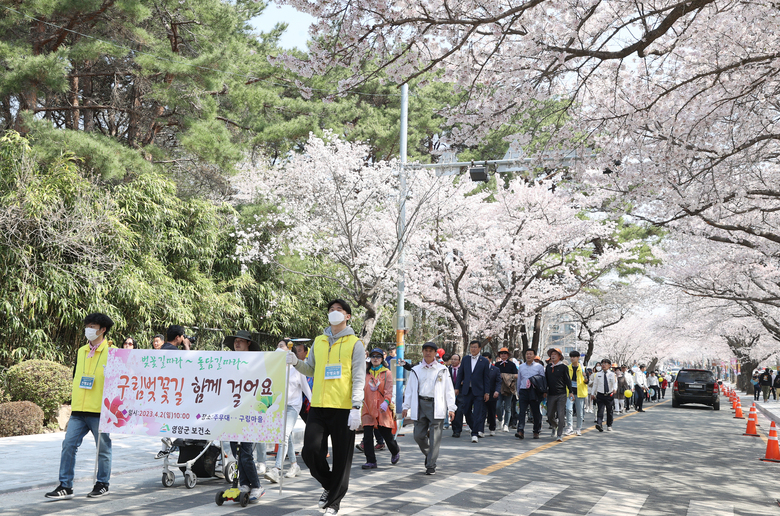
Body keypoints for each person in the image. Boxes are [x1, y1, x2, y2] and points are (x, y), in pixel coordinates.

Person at [287, 299, 365, 516]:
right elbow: (311, 370)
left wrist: (356, 407)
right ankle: (331, 485)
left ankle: (334, 502)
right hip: (319, 406)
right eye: (331, 310)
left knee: (341, 458)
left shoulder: (355, 343)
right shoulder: (319, 341)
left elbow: (359, 377)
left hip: (344, 408)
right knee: (310, 451)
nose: (334, 313)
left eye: (339, 310)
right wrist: (295, 362)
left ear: (348, 316)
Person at [46, 313, 115, 500]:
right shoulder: (81, 350)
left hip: (100, 410)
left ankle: (102, 484)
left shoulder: (113, 352)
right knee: (68, 445)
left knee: (103, 449)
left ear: (103, 329)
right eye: (87, 325)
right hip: (78, 411)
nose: (88, 329)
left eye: (93, 326)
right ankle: (65, 486)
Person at [223, 331, 265, 502]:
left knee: (246, 452)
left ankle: (257, 486)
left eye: (241, 341)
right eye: (236, 341)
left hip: (250, 412)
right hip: (233, 413)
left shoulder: (257, 362)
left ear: (249, 344)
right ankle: (245, 483)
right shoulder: (228, 363)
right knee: (236, 451)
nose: (237, 344)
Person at [403, 341, 457, 475]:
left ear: (435, 353)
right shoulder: (416, 369)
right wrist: (406, 406)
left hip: (436, 404)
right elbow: (409, 390)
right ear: (422, 352)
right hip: (420, 404)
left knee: (435, 437)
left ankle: (431, 464)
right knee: (418, 436)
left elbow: (449, 389)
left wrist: (451, 408)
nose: (428, 353)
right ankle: (429, 453)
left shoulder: (442, 370)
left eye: (431, 351)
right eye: (425, 350)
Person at [265, 341, 312, 483]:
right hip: (280, 406)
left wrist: (315, 405)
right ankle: (294, 465)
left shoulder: (297, 369)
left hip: (293, 406)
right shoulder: (275, 369)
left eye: (282, 346)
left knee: (284, 434)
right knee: (287, 435)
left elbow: (306, 390)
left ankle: (276, 469)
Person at [360, 348, 400, 469]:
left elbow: (388, 390)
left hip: (382, 409)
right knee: (367, 436)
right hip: (367, 408)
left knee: (386, 435)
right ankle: (371, 461)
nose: (375, 359)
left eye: (378, 356)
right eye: (373, 356)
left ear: (382, 359)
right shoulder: (365, 373)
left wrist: (386, 402)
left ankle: (395, 451)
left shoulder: (386, 373)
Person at [453, 340, 491, 443]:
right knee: (465, 410)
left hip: (479, 390)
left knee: (478, 412)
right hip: (466, 389)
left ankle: (474, 434)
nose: (473, 349)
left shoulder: (484, 361)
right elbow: (460, 374)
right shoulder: (465, 359)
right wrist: (457, 387)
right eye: (471, 347)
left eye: (475, 347)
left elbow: (486, 378)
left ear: (479, 348)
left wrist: (487, 392)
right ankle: (475, 425)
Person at [515, 348, 545, 439]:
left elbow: (542, 380)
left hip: (535, 392)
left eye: (530, 354)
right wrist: (518, 391)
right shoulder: (521, 367)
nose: (528, 355)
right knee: (522, 412)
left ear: (534, 356)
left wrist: (543, 392)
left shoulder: (539, 367)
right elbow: (519, 380)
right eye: (527, 354)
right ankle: (520, 431)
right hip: (523, 390)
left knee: (536, 412)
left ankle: (536, 431)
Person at [545, 348, 570, 442]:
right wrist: (544, 391)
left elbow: (568, 380)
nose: (553, 355)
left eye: (555, 354)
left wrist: (570, 392)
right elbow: (546, 381)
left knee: (560, 414)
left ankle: (559, 434)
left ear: (559, 356)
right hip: (551, 394)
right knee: (550, 415)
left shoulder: (564, 367)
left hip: (562, 394)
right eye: (552, 354)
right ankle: (554, 426)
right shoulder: (548, 367)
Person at [591, 358, 618, 432]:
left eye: (605, 364)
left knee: (609, 411)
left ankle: (609, 425)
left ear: (609, 365)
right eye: (602, 364)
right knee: (600, 410)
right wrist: (593, 393)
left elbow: (615, 383)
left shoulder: (612, 374)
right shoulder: (598, 374)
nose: (603, 365)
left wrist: (615, 389)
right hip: (600, 395)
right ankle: (599, 424)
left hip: (609, 395)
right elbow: (595, 385)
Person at [565, 351, 588, 436]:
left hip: (580, 393)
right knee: (568, 409)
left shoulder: (583, 368)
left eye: (574, 357)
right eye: (571, 357)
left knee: (579, 412)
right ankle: (570, 427)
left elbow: (587, 381)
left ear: (578, 357)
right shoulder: (567, 368)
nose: (572, 358)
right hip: (570, 392)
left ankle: (578, 428)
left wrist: (586, 378)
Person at [495, 347, 518, 432]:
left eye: (505, 353)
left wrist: (504, 375)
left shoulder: (512, 365)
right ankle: (500, 420)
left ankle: (506, 425)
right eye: (502, 353)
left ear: (508, 355)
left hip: (509, 388)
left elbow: (516, 375)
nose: (503, 355)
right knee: (498, 406)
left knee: (508, 407)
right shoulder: (497, 365)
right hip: (499, 387)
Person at [482, 352, 502, 436]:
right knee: (481, 412)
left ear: (490, 360)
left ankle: (492, 427)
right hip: (481, 393)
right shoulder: (479, 369)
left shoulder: (496, 369)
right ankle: (480, 429)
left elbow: (498, 381)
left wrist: (497, 391)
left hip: (492, 393)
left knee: (491, 412)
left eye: (486, 359)